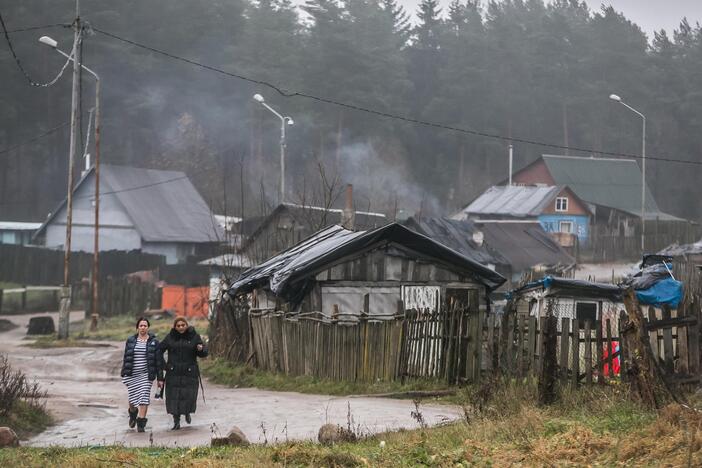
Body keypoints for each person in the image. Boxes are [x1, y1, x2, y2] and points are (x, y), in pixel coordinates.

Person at [159, 316, 208, 430]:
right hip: (173, 372)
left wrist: (201, 349)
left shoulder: (194, 336)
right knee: (174, 397)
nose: (181, 327)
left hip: (189, 372)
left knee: (188, 396)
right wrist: (165, 365)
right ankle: (176, 421)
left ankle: (187, 413)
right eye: (178, 326)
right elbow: (159, 350)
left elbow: (202, 353)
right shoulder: (170, 337)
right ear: (175, 327)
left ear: (186, 325)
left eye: (183, 325)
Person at [120, 317, 163, 433]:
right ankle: (133, 413)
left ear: (148, 327)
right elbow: (126, 357)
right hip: (132, 374)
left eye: (145, 325)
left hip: (145, 375)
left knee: (144, 396)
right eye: (141, 325)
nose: (143, 327)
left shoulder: (154, 342)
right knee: (133, 399)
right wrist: (124, 371)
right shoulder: (131, 340)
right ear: (137, 327)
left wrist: (160, 378)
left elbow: (159, 361)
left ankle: (141, 422)